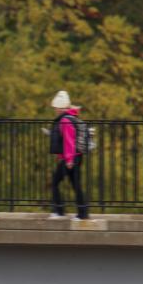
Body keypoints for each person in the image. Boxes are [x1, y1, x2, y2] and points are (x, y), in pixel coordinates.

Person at [48, 90, 87, 220]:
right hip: (74, 156)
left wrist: (68, 160)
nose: (55, 110)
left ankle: (60, 211)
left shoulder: (64, 120)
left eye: (56, 108)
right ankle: (81, 213)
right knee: (75, 185)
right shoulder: (71, 117)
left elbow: (69, 141)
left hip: (71, 157)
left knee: (55, 182)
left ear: (60, 108)